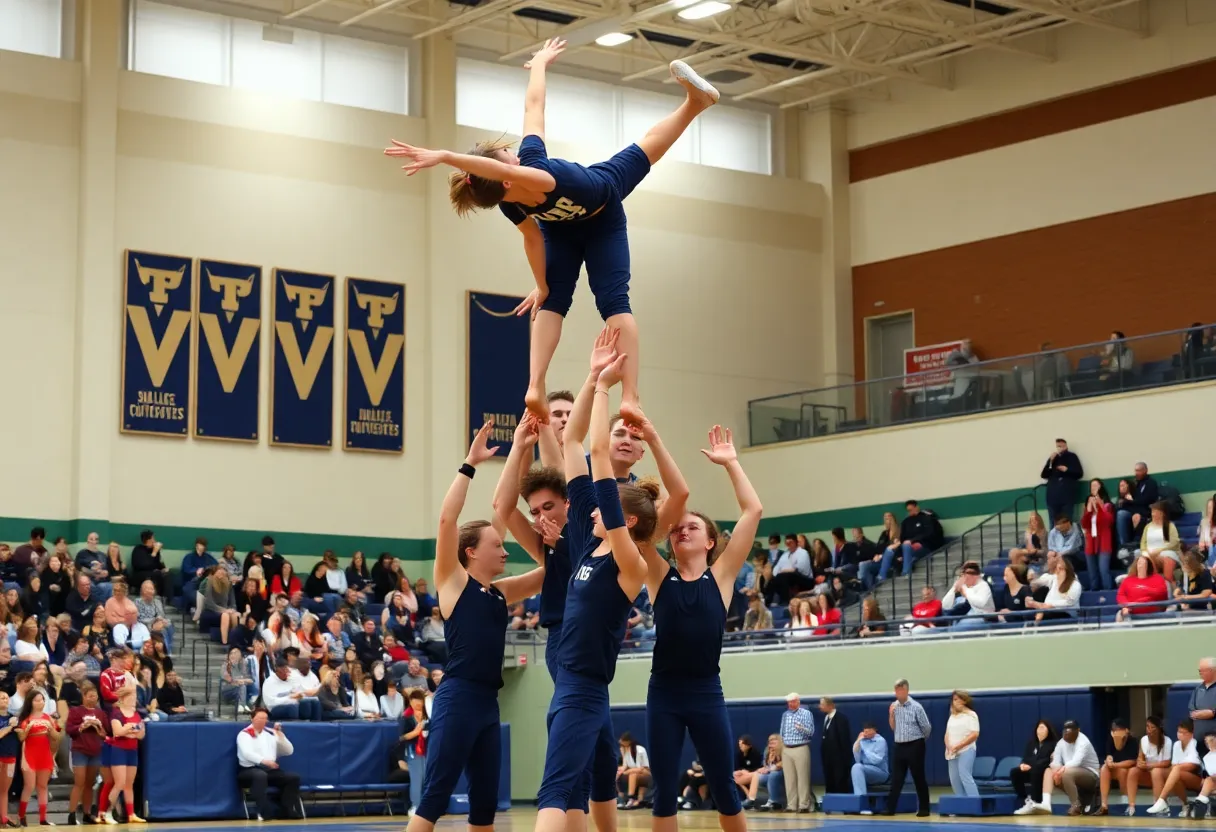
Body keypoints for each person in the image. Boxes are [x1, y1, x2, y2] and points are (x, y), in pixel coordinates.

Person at [385, 43, 720, 426]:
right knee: (615, 299)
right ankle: (631, 395)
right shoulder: (537, 172)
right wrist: (446, 155)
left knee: (553, 302)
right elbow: (534, 108)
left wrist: (542, 285)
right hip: (601, 210)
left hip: (559, 231)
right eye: (506, 157)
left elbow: (532, 239)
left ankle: (534, 385)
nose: (512, 153)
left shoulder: (511, 204)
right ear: (505, 174)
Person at [531, 336, 657, 832]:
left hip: (584, 686)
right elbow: (573, 443)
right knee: (572, 783)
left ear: (623, 518)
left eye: (609, 506)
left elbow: (599, 453)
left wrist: (606, 388)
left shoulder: (630, 561)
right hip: (569, 679)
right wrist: (590, 377)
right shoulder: (588, 546)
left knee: (556, 789)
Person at [407, 420, 545, 832]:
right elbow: (448, 519)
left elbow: (543, 566)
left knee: (485, 808)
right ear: (471, 552)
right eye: (497, 546)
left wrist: (519, 446)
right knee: (433, 800)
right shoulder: (453, 581)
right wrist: (469, 463)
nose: (505, 550)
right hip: (457, 699)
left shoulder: (499, 592)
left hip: (488, 705)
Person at [640, 418, 762, 832]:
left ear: (710, 541)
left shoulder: (723, 574)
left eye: (692, 527)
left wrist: (731, 463)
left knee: (725, 788)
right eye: (677, 529)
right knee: (663, 794)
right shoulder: (657, 573)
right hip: (664, 694)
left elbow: (753, 510)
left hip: (707, 692)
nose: (682, 531)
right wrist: (655, 441)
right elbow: (644, 536)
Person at [1016, 719, 1099, 816]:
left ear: (1078, 730)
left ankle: (1076, 806)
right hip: (1070, 772)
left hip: (1091, 774)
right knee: (1049, 771)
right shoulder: (1061, 743)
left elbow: (1077, 762)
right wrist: (1055, 771)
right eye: (1066, 730)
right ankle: (1046, 804)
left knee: (1067, 773)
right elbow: (1056, 761)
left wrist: (1061, 770)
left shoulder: (1083, 742)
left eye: (1071, 730)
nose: (1068, 732)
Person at [236, 708, 301, 822]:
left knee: (292, 778)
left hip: (270, 771)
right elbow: (247, 754)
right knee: (260, 775)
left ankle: (286, 810)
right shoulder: (244, 734)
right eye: (260, 718)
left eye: (265, 718)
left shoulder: (270, 734)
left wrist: (281, 737)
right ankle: (264, 812)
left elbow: (288, 751)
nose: (263, 721)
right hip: (249, 770)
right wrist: (264, 761)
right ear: (252, 719)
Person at [886, 679, 931, 817]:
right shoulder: (894, 706)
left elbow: (926, 727)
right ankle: (890, 808)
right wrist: (891, 715)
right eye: (896, 690)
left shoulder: (916, 707)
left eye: (900, 690)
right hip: (899, 745)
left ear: (906, 690)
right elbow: (893, 727)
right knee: (897, 778)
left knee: (918, 776)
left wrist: (920, 741)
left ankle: (924, 808)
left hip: (915, 744)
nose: (898, 693)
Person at [66, 681, 108, 824]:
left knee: (90, 783)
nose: (93, 699)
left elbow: (106, 732)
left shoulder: (101, 713)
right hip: (80, 750)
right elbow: (69, 730)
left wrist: (100, 729)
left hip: (95, 750)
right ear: (83, 696)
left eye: (95, 696)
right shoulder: (75, 711)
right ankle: (71, 813)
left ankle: (87, 812)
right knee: (79, 782)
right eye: (90, 696)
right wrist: (82, 726)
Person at [1146, 717, 1204, 816]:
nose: (1180, 734)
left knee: (1176, 770)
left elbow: (1193, 766)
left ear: (1191, 734)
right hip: (1180, 776)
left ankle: (1162, 800)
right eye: (1178, 731)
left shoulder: (1195, 743)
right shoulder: (1177, 744)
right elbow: (1173, 765)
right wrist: (1177, 767)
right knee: (1156, 771)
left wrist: (1177, 767)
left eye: (1183, 732)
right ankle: (1163, 805)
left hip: (1197, 780)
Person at [16, 690, 58, 826]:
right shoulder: (26, 719)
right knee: (29, 786)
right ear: (30, 702)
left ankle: (43, 818)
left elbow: (57, 738)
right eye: (36, 700)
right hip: (29, 754)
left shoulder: (48, 718)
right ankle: (21, 816)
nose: (40, 702)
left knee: (43, 786)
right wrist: (27, 729)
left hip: (45, 754)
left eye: (42, 700)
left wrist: (51, 730)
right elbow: (21, 738)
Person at [1126, 715, 1172, 816]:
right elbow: (1140, 758)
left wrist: (1150, 765)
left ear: (1159, 729)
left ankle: (1159, 805)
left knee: (1156, 771)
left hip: (1164, 774)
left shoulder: (1167, 741)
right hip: (1149, 773)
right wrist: (1140, 763)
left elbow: (1167, 762)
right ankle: (1131, 806)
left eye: (1152, 727)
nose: (1149, 730)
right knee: (1133, 771)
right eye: (1147, 727)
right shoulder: (1143, 740)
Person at [779, 694, 815, 813]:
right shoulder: (785, 714)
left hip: (800, 746)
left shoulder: (806, 713)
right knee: (789, 779)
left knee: (802, 777)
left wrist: (801, 728)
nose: (791, 704)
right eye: (789, 702)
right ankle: (791, 805)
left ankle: (804, 804)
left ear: (798, 701)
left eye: (793, 702)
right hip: (787, 748)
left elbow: (811, 732)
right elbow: (782, 731)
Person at [1011, 720, 1057, 810]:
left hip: (1043, 771)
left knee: (1035, 770)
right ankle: (1025, 799)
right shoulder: (1031, 743)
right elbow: (1026, 758)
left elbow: (1047, 760)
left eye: (1043, 727)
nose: (1040, 730)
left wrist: (1032, 765)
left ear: (1048, 730)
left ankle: (1036, 801)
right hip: (1030, 769)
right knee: (1014, 772)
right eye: (1038, 728)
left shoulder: (1053, 744)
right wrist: (1023, 765)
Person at [1096, 718, 1138, 816]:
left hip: (1126, 769)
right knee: (1104, 769)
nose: (1115, 732)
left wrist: (1116, 765)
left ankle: (1126, 798)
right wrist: (1109, 760)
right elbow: (1109, 754)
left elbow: (1132, 761)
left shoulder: (1133, 741)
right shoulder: (1111, 739)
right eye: (1114, 730)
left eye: (1118, 729)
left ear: (1126, 730)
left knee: (1123, 771)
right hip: (1115, 767)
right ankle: (1104, 805)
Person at [1081, 479, 1116, 590]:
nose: (1093, 488)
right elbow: (1084, 524)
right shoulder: (1088, 505)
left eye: (1096, 485)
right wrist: (1089, 510)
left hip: (1104, 542)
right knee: (1092, 572)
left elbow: (1108, 521)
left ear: (1101, 487)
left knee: (1103, 570)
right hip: (1090, 542)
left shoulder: (1107, 506)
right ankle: (1094, 593)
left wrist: (1100, 506)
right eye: (1091, 486)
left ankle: (1108, 592)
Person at [945, 691, 980, 797]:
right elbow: (947, 734)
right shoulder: (952, 716)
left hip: (966, 750)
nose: (954, 702)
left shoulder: (971, 715)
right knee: (954, 779)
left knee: (965, 775)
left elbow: (974, 734)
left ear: (964, 701)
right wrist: (949, 746)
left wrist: (959, 746)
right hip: (952, 752)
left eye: (956, 699)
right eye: (953, 700)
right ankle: (961, 803)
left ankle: (974, 802)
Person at [1117, 462, 1158, 550]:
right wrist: (1125, 500)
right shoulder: (1136, 484)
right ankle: (1124, 545)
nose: (1136, 473)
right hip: (1133, 509)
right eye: (1136, 471)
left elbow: (1146, 500)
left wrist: (1132, 501)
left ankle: (1127, 545)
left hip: (1145, 511)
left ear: (1145, 471)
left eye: (1139, 470)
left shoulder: (1151, 483)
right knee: (1120, 513)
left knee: (1124, 515)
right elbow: (1131, 500)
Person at [1041, 439, 1083, 523]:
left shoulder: (1072, 457)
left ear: (1066, 446)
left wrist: (1067, 470)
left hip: (1067, 496)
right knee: (1053, 521)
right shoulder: (1053, 458)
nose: (1059, 448)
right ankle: (1054, 536)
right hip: (1052, 497)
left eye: (1061, 446)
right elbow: (1044, 475)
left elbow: (1079, 473)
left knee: (1067, 520)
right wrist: (1050, 462)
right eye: (1058, 446)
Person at [401, 689, 429, 815]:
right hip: (412, 751)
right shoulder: (406, 717)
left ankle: (424, 805)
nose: (418, 702)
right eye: (415, 700)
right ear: (410, 701)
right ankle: (414, 806)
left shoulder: (426, 716)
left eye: (420, 700)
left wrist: (426, 732)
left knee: (425, 779)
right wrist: (415, 733)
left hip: (425, 751)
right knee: (417, 779)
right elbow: (402, 737)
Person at [850, 722, 889, 810]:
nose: (866, 734)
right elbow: (857, 759)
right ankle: (859, 802)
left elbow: (876, 760)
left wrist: (864, 749)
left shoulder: (880, 741)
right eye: (865, 732)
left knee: (858, 767)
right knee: (856, 767)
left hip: (881, 772)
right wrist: (858, 742)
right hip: (866, 770)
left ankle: (862, 804)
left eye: (868, 732)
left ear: (874, 731)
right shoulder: (863, 740)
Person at [819, 697, 852, 795]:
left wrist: (845, 759)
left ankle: (842, 804)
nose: (820, 707)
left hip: (839, 757)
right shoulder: (826, 718)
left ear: (829, 705)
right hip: (828, 757)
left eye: (822, 704)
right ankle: (831, 802)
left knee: (840, 780)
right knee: (829, 779)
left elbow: (844, 739)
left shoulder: (841, 718)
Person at [130, 530, 170, 600]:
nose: (154, 541)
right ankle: (157, 596)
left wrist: (163, 568)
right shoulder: (138, 550)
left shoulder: (153, 550)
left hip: (153, 573)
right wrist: (154, 552)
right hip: (139, 575)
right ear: (148, 540)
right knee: (156, 574)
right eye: (153, 539)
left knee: (167, 574)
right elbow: (144, 565)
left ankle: (166, 598)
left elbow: (158, 564)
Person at [616, 733, 652, 810]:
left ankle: (631, 798)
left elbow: (642, 768)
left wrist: (629, 771)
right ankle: (621, 798)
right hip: (634, 772)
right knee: (617, 774)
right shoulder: (625, 751)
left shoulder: (640, 749)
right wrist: (620, 771)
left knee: (633, 774)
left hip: (646, 773)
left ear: (628, 741)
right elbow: (625, 765)